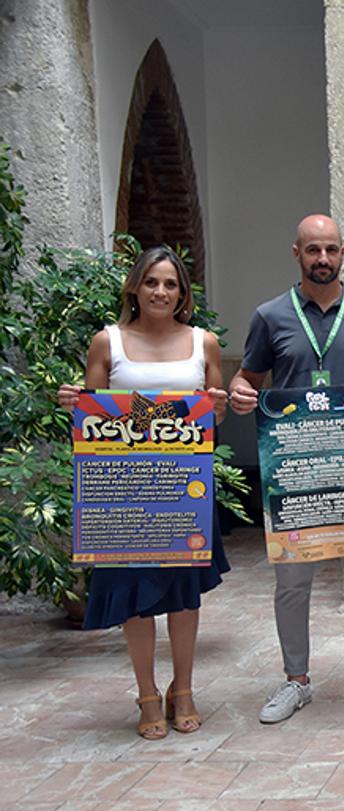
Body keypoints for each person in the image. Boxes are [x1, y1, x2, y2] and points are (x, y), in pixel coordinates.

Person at [229, 214, 344, 723]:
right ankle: (296, 681)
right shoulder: (270, 316)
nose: (322, 259)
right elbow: (246, 379)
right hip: (294, 474)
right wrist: (240, 393)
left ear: (343, 253)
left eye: (330, 249)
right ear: (296, 253)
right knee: (291, 584)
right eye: (313, 250)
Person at [57, 246, 230, 740]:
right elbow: (90, 417)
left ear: (183, 293)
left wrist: (217, 407)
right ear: (135, 287)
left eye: (170, 284)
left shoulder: (204, 343)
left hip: (184, 489)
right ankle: (147, 693)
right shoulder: (106, 342)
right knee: (133, 595)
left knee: (184, 596)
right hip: (124, 490)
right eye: (152, 282)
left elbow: (213, 417)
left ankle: (185, 689)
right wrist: (74, 402)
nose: (160, 292)